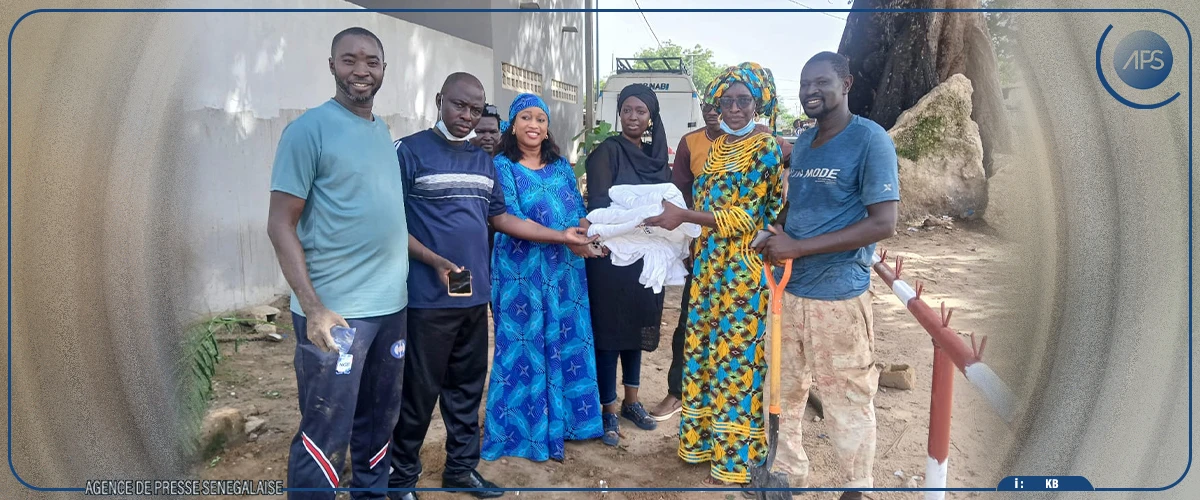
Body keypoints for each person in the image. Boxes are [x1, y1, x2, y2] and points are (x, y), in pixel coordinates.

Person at [387, 74, 592, 500]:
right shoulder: (409, 150)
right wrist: (433, 260)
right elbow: (388, 222)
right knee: (420, 389)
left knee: (466, 388)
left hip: (473, 293)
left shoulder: (482, 161)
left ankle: (461, 469)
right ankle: (401, 476)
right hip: (428, 295)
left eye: (476, 110)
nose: (466, 116)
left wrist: (564, 236)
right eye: (458, 106)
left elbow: (502, 220)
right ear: (440, 100)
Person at [267, 27, 408, 500]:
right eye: (349, 60)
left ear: (384, 69)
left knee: (378, 424)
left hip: (391, 308)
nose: (361, 70)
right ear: (332, 66)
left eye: (371, 61)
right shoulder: (307, 130)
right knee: (325, 430)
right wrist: (313, 307)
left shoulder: (381, 130)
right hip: (336, 313)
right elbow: (280, 225)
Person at [758, 52, 899, 500]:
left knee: (847, 398)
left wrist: (798, 247)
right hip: (790, 292)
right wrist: (778, 231)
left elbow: (883, 223)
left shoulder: (869, 140)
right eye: (804, 85)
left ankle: (857, 489)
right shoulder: (803, 143)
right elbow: (801, 207)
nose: (810, 92)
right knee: (783, 391)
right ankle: (786, 474)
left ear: (847, 83)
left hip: (839, 298)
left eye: (820, 82)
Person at [643, 62, 784, 489]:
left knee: (736, 359)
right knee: (703, 351)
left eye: (744, 101)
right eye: (728, 101)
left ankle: (736, 458)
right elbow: (707, 203)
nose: (735, 108)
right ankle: (702, 444)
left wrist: (685, 215)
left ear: (758, 103)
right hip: (707, 267)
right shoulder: (718, 146)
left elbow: (746, 218)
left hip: (742, 268)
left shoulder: (766, 148)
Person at [481, 93, 605, 463]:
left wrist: (597, 233)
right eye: (526, 118)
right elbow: (510, 219)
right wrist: (563, 236)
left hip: (564, 270)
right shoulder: (502, 166)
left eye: (541, 119)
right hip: (521, 272)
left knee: (567, 340)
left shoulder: (562, 167)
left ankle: (568, 423)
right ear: (512, 124)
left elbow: (577, 213)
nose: (534, 125)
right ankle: (524, 431)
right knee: (525, 346)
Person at [582, 83, 673, 445]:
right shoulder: (607, 152)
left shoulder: (657, 159)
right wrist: (641, 216)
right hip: (610, 257)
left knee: (636, 329)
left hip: (645, 259)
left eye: (641, 111)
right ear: (619, 113)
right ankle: (608, 409)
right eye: (627, 110)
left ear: (651, 117)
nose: (633, 117)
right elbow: (601, 206)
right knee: (608, 334)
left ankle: (633, 402)